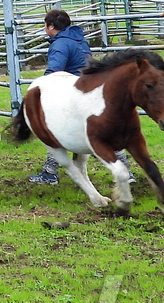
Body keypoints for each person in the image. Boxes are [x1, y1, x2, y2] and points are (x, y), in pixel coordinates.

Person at [27, 9, 134, 185]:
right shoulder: (79, 40)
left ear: (51, 26)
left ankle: (50, 172)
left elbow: (54, 71)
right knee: (105, 131)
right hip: (90, 89)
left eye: (45, 26)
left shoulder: (60, 44)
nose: (45, 29)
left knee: (52, 128)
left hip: (71, 93)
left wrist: (40, 89)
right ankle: (126, 171)